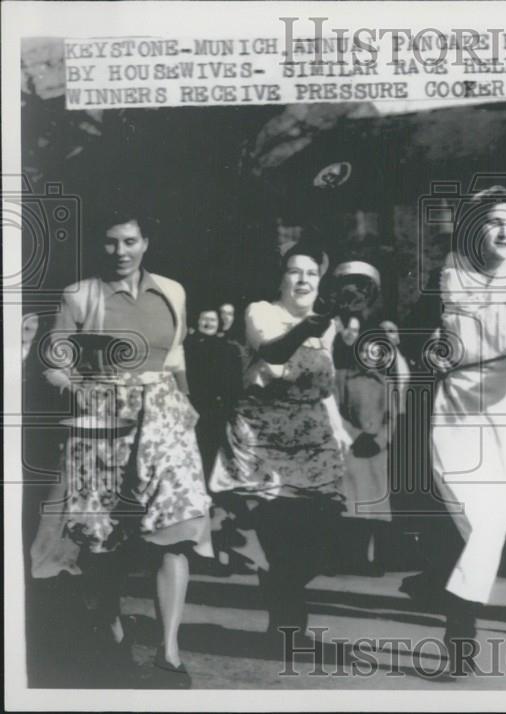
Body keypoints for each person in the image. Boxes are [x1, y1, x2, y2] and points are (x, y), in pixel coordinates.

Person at [30, 211, 213, 687]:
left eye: (129, 241)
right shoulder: (79, 295)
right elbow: (54, 361)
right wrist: (82, 390)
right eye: (111, 243)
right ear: (100, 246)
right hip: (103, 422)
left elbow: (176, 358)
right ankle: (112, 629)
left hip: (165, 422)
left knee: (176, 529)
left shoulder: (171, 291)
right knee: (102, 535)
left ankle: (169, 653)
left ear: (145, 242)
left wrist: (188, 408)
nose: (121, 252)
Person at [403, 186, 506, 673]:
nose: (503, 231)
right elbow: (413, 335)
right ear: (474, 228)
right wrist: (431, 348)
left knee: (491, 524)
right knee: (474, 519)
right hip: (458, 410)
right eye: (494, 222)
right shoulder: (446, 277)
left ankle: (458, 634)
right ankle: (453, 612)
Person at [210, 243, 353, 648]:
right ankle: (288, 626)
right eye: (295, 271)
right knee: (280, 535)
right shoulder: (261, 311)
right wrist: (304, 330)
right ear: (281, 278)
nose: (303, 279)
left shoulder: (326, 325)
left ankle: (279, 598)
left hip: (312, 437)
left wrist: (339, 429)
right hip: (263, 435)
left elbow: (324, 385)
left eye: (311, 273)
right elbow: (272, 352)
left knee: (323, 530)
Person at [333, 290, 410, 575]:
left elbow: (393, 417)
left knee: (374, 507)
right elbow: (336, 411)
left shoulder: (387, 384)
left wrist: (381, 439)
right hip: (352, 449)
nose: (370, 354)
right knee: (351, 506)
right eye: (366, 349)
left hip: (377, 450)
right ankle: (348, 558)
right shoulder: (342, 377)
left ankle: (370, 558)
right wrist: (352, 435)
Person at [184, 308, 242, 475]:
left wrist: (229, 405)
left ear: (219, 324)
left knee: (212, 447)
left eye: (213, 320)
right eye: (204, 319)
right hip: (192, 403)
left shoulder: (229, 349)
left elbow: (235, 382)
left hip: (217, 406)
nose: (208, 323)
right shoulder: (188, 346)